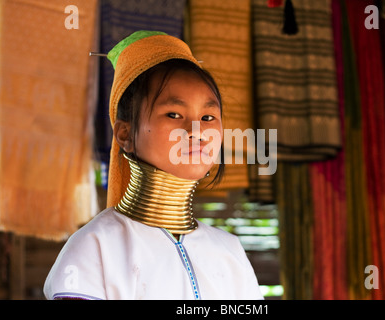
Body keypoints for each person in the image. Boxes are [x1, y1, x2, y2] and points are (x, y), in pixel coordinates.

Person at [43, 31, 263, 300]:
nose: (197, 131)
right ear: (125, 134)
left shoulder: (229, 251)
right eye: (173, 114)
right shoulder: (94, 247)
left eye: (208, 116)